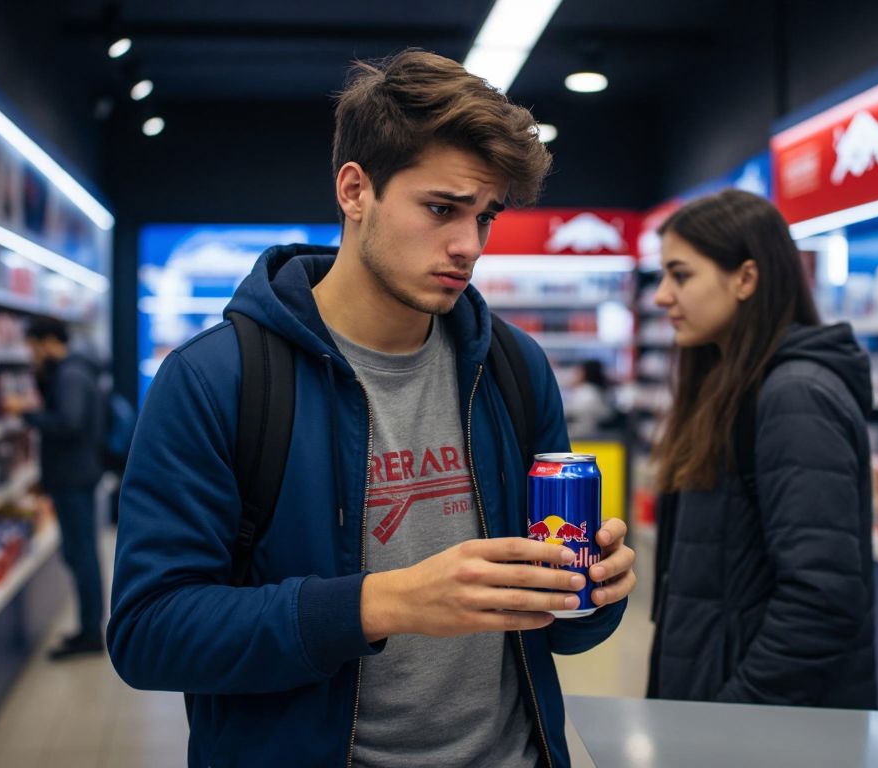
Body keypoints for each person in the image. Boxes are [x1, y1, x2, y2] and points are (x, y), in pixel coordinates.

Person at [108, 49, 636, 767]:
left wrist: (595, 591)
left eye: (486, 216)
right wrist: (379, 603)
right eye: (441, 209)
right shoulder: (215, 380)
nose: (467, 246)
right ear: (355, 191)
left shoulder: (513, 367)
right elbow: (149, 633)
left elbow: (559, 627)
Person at [645, 189, 876, 708]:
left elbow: (823, 600)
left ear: (746, 278)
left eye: (680, 275)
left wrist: (733, 714)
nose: (662, 296)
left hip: (759, 725)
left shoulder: (795, 397)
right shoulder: (729, 387)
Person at [21, 317, 106, 660]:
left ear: (47, 341)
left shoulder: (70, 374)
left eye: (33, 347)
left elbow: (69, 421)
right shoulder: (77, 370)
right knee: (81, 552)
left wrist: (28, 415)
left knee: (81, 554)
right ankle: (89, 628)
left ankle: (89, 633)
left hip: (73, 478)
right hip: (77, 474)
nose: (31, 354)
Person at [563, 359, 617, 439]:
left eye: (577, 372)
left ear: (585, 374)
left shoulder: (587, 392)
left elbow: (571, 413)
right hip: (585, 434)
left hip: (582, 436)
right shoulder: (592, 391)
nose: (572, 375)